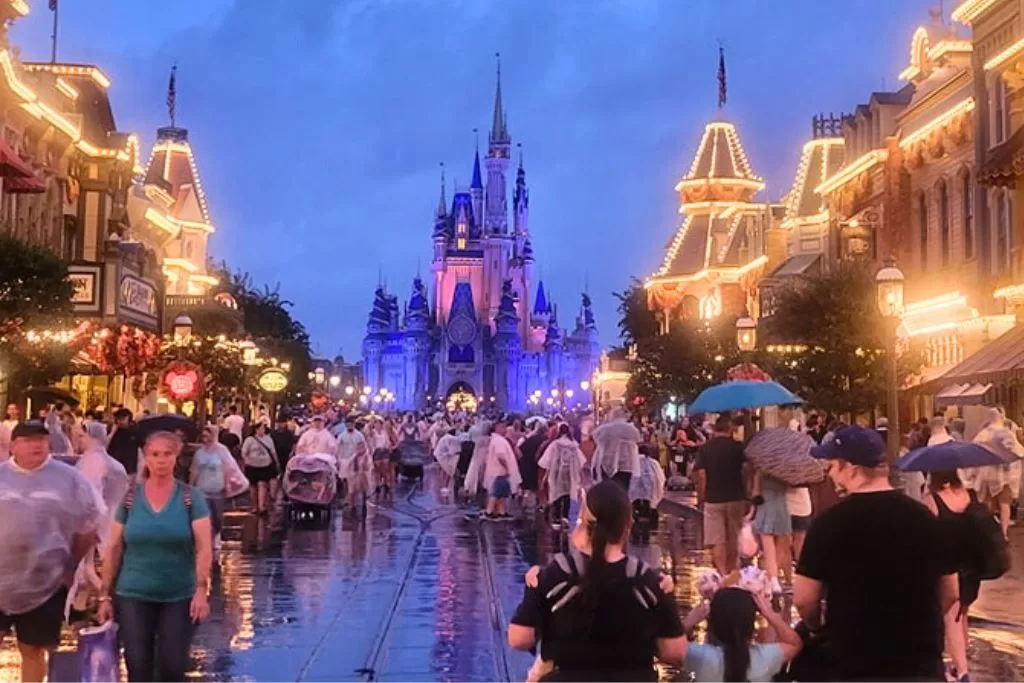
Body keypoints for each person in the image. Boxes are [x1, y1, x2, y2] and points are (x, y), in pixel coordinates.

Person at [794, 425, 959, 681]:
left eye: (832, 467)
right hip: (919, 664)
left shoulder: (828, 524)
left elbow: (804, 599)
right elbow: (951, 591)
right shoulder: (925, 517)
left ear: (851, 468)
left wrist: (817, 627)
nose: (830, 475)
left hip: (853, 664)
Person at [508, 480, 686, 680]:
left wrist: (535, 598)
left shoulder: (557, 574)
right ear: (627, 526)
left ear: (584, 521)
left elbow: (519, 638)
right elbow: (675, 652)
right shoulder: (649, 581)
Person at [99, 431, 212, 682]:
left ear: (176, 457)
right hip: (133, 594)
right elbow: (113, 547)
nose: (161, 460)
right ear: (146, 458)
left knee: (173, 666)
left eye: (167, 454)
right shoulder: (130, 498)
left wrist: (201, 589)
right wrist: (104, 595)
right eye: (155, 454)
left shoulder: (190, 498)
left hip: (179, 594)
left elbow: (204, 547)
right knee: (138, 666)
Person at [0, 421, 100, 682]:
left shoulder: (70, 479)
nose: (37, 445)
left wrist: (70, 567)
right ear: (13, 446)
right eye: (29, 440)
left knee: (33, 648)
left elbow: (89, 526)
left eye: (42, 440)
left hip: (46, 582)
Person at [683, 587, 802, 682]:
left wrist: (689, 622)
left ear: (712, 621)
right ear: (751, 625)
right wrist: (769, 613)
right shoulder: (764, 657)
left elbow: (669, 649)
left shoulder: (700, 656)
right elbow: (794, 643)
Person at [924, 470, 978, 682]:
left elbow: (925, 533)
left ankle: (962, 671)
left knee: (950, 617)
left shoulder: (932, 500)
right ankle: (960, 662)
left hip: (947, 566)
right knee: (962, 613)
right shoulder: (970, 495)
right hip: (972, 565)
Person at [694, 414, 748, 576]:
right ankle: (732, 572)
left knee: (717, 540)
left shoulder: (705, 448)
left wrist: (701, 497)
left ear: (714, 429)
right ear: (730, 429)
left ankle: (722, 574)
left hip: (713, 499)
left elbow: (701, 476)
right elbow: (746, 471)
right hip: (736, 497)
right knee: (733, 538)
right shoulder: (739, 448)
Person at [190, 427, 232, 558]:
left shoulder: (221, 451)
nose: (205, 439)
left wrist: (227, 485)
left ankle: (217, 534)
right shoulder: (199, 454)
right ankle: (207, 541)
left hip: (218, 489)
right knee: (206, 517)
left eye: (207, 436)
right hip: (203, 490)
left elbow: (227, 468)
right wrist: (191, 487)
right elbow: (194, 470)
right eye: (203, 436)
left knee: (218, 517)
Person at [538, 424, 587, 529]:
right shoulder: (574, 445)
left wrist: (545, 476)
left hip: (555, 473)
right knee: (567, 494)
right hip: (570, 474)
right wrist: (581, 477)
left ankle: (556, 519)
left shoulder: (555, 444)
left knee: (556, 494)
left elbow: (547, 461)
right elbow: (580, 461)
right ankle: (565, 517)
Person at [591, 407, 642, 490]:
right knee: (623, 490)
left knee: (608, 490)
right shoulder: (632, 429)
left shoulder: (604, 429)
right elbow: (638, 439)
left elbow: (595, 438)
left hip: (605, 463)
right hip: (626, 465)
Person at [479, 423, 522, 521]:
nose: (505, 429)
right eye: (503, 427)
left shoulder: (497, 440)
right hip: (500, 471)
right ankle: (489, 512)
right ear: (497, 428)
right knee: (496, 493)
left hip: (499, 471)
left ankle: (501, 512)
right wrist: (507, 468)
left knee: (502, 493)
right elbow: (500, 456)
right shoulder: (499, 441)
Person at [241, 423, 279, 516]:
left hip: (265, 465)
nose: (263, 430)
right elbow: (244, 452)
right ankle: (255, 506)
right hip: (252, 465)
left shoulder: (268, 439)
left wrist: (276, 462)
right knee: (253, 486)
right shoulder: (249, 440)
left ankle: (261, 506)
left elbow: (273, 451)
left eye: (264, 429)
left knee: (263, 484)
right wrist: (246, 461)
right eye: (261, 428)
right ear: (256, 430)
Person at [336, 417, 370, 513]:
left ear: (354, 425)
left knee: (355, 483)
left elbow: (364, 448)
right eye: (348, 424)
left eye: (351, 424)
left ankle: (352, 502)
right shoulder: (341, 436)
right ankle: (348, 500)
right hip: (345, 461)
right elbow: (338, 448)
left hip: (356, 461)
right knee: (346, 482)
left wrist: (362, 460)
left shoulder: (359, 435)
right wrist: (338, 460)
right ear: (346, 425)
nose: (349, 426)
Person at [629, 445, 666, 529]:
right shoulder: (654, 463)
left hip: (634, 496)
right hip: (650, 496)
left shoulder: (632, 462)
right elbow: (661, 478)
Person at [108, 408, 139, 476]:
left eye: (122, 419)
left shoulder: (135, 430)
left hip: (129, 468)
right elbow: (106, 445)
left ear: (129, 418)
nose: (120, 421)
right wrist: (112, 432)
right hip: (114, 467)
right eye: (118, 419)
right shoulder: (114, 430)